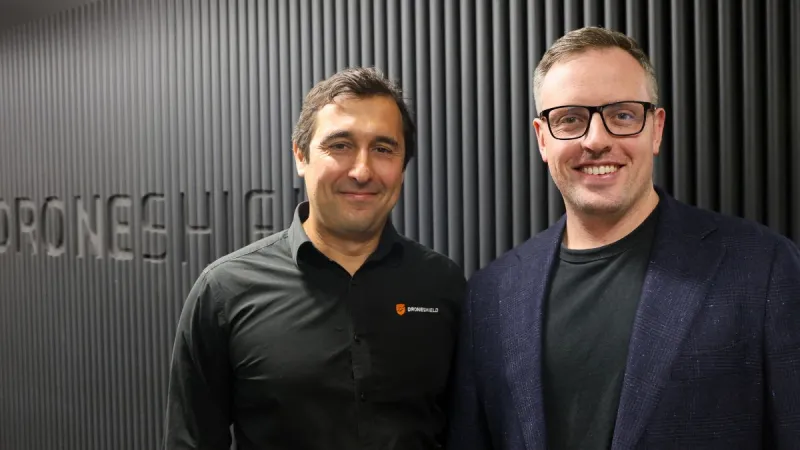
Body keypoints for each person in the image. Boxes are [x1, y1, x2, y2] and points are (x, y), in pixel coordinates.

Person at [446, 26, 800, 450]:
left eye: (623, 116)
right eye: (570, 119)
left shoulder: (763, 268)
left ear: (656, 129)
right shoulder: (490, 295)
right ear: (542, 138)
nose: (596, 140)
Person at [163, 67, 466, 449]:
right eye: (340, 145)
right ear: (300, 155)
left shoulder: (442, 285)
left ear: (402, 165)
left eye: (383, 149)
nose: (362, 171)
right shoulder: (224, 292)